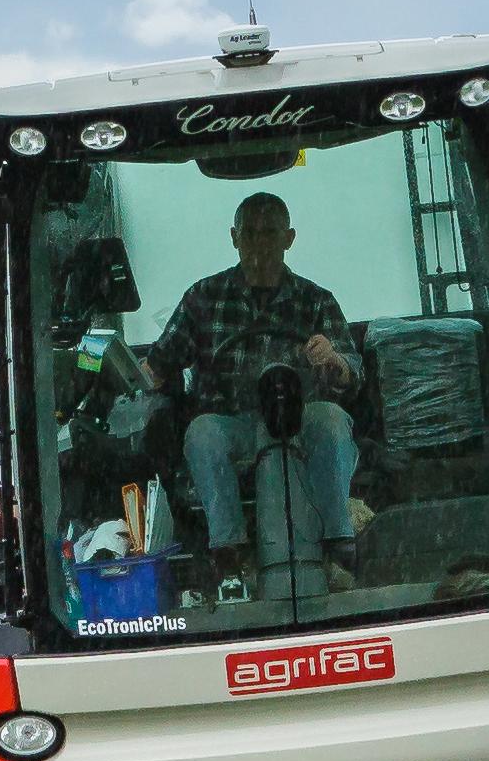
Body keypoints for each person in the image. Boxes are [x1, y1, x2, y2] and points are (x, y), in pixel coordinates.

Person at [148, 191, 357, 580]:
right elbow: (159, 365)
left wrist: (334, 359)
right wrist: (106, 369)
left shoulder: (316, 301)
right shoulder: (202, 298)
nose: (259, 243)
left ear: (289, 238)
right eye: (250, 233)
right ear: (234, 237)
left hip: (298, 422)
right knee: (202, 432)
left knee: (331, 418)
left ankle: (338, 545)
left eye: (270, 233)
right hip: (232, 425)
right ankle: (228, 553)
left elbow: (351, 374)